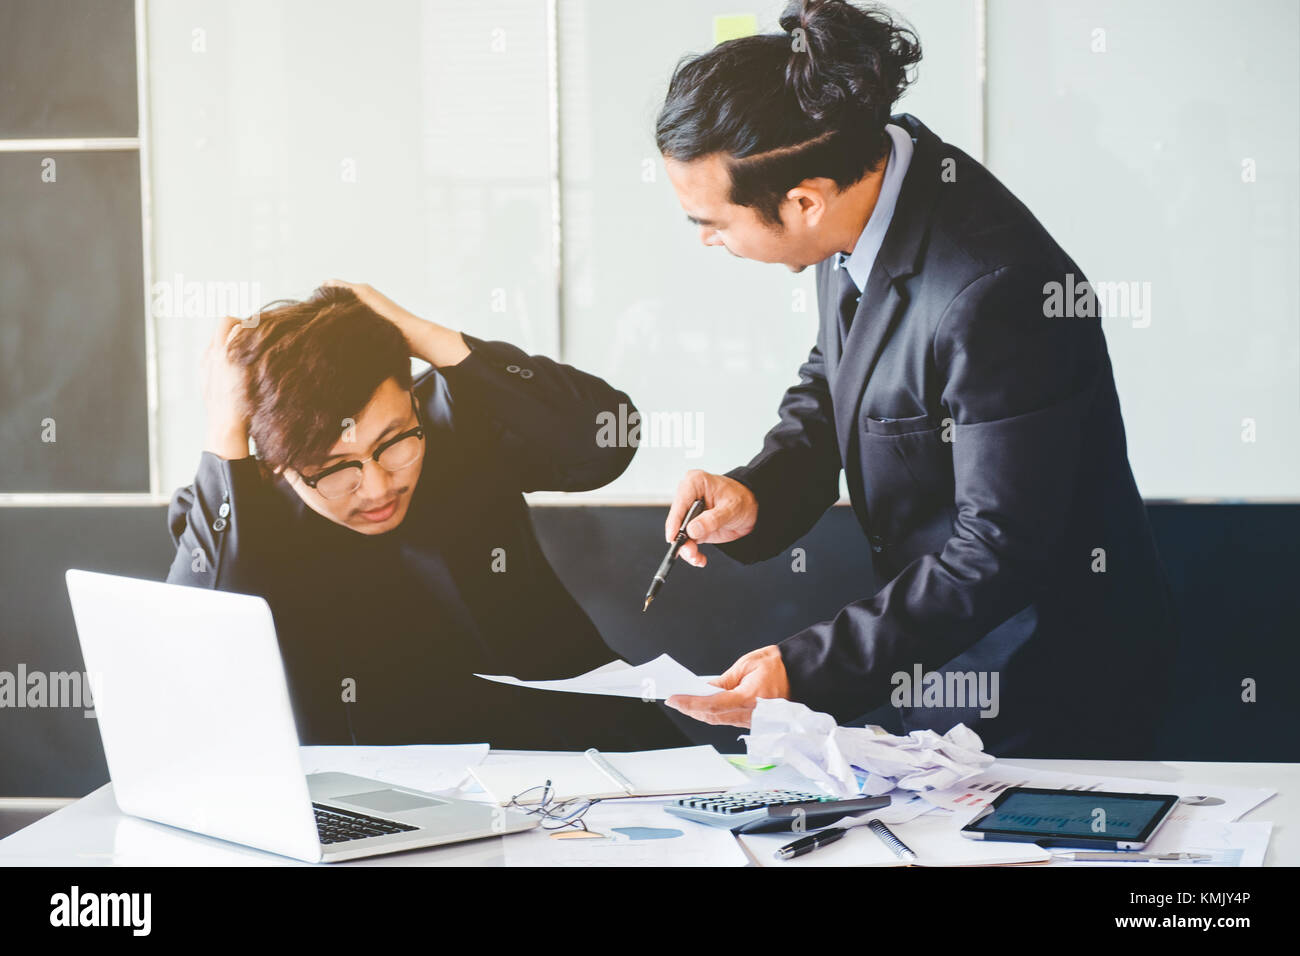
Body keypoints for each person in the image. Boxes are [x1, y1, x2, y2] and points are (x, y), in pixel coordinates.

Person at [654, 0, 1176, 758]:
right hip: (939, 657)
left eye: (712, 221)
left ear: (803, 202)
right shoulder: (859, 180)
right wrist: (758, 492)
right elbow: (840, 374)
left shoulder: (994, 288)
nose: (706, 240)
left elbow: (997, 548)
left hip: (1043, 677)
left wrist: (800, 667)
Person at [166, 281, 687, 751]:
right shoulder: (232, 508)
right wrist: (223, 431)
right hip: (374, 806)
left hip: (580, 757)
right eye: (331, 470)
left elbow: (605, 437)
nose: (376, 487)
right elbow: (204, 652)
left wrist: (420, 334)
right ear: (276, 460)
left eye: (393, 443)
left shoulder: (453, 426)